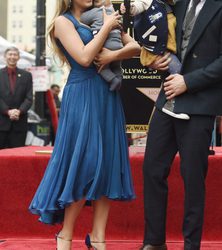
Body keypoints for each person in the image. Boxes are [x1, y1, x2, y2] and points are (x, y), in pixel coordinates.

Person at [29, 0, 140, 249]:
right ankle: (65, 235)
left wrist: (113, 54)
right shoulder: (62, 22)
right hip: (82, 96)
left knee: (108, 164)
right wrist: (108, 25)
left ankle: (98, 237)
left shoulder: (103, 13)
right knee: (84, 164)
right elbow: (84, 58)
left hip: (108, 96)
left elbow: (135, 47)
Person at [141, 0, 222, 249]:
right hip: (168, 100)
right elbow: (166, 45)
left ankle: (191, 245)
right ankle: (154, 242)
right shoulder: (178, 6)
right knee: (152, 170)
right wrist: (157, 63)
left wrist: (188, 82)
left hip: (200, 104)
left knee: (193, 178)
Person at [120, 0, 189, 120]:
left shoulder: (176, 5)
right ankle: (172, 105)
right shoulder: (149, 1)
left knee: (176, 74)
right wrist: (129, 7)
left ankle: (175, 104)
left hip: (168, 51)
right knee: (178, 71)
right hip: (158, 52)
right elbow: (138, 6)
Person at [80, 0, 123, 91]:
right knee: (116, 66)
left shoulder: (95, 12)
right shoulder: (113, 13)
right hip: (118, 44)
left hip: (106, 46)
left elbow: (81, 19)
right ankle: (119, 78)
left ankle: (113, 80)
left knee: (103, 67)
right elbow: (121, 24)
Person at [0, 47, 33, 149]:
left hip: (20, 123)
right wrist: (7, 111)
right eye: (10, 54)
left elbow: (29, 98)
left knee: (18, 155)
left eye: (15, 54)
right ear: (5, 56)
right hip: (1, 123)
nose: (12, 57)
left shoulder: (27, 75)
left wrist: (19, 111)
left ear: (18, 57)